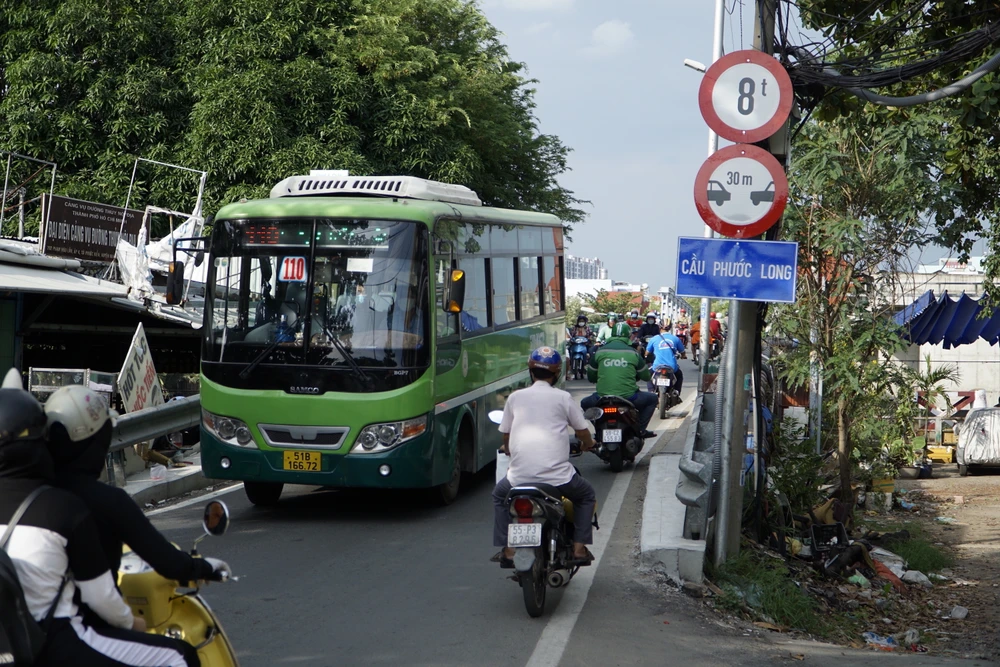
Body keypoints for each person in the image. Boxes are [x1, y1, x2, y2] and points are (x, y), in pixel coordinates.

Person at [0, 372, 197, 667]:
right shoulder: (62, 507)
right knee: (179, 656)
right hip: (55, 640)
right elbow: (101, 597)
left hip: (9, 638)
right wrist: (132, 624)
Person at [44, 385, 231, 591]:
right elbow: (166, 561)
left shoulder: (29, 496)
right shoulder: (108, 502)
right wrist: (203, 567)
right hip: (93, 618)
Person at [492, 347, 597, 566]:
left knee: (499, 496)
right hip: (558, 479)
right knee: (586, 495)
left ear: (530, 371)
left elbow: (507, 434)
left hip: (518, 478)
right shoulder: (563, 397)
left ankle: (509, 549)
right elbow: (581, 430)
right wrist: (589, 444)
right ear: (556, 373)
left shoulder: (515, 397)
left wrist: (508, 448)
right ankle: (579, 547)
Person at [581, 322, 657, 438]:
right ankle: (640, 430)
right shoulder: (633, 353)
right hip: (630, 397)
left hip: (601, 398)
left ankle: (598, 428)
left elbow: (591, 377)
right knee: (652, 399)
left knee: (585, 403)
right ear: (629, 335)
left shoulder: (600, 352)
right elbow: (646, 377)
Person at [646, 319, 685, 394]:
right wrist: (683, 356)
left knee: (648, 375)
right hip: (672, 366)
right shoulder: (675, 339)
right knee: (679, 376)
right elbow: (683, 352)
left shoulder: (654, 339)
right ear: (670, 327)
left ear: (659, 327)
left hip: (657, 366)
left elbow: (647, 353)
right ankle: (676, 391)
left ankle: (651, 391)